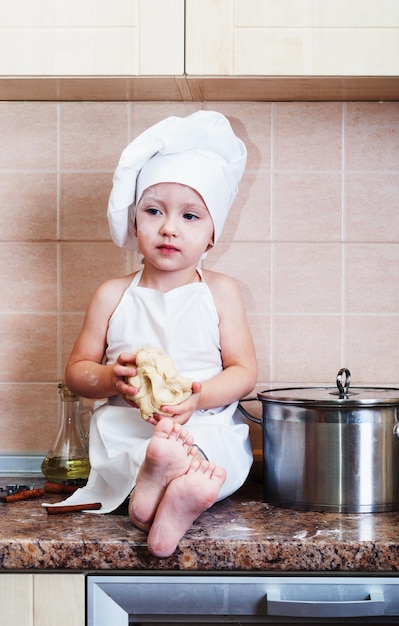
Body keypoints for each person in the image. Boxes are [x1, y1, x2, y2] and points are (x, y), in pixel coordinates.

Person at [55, 110, 258, 558]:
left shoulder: (221, 292)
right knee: (143, 451)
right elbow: (77, 373)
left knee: (208, 459)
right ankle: (157, 486)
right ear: (134, 222)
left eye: (190, 216)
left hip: (205, 425)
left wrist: (199, 398)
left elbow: (243, 372)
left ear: (211, 235)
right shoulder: (112, 294)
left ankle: (161, 501)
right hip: (130, 429)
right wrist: (111, 379)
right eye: (153, 211)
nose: (169, 227)